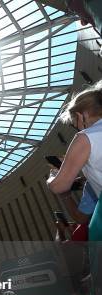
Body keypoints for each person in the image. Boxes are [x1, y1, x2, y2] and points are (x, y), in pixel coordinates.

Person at [47, 81, 102, 234]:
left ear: (81, 115)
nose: (76, 128)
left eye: (74, 123)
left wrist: (52, 177)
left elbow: (58, 186)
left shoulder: (85, 136)